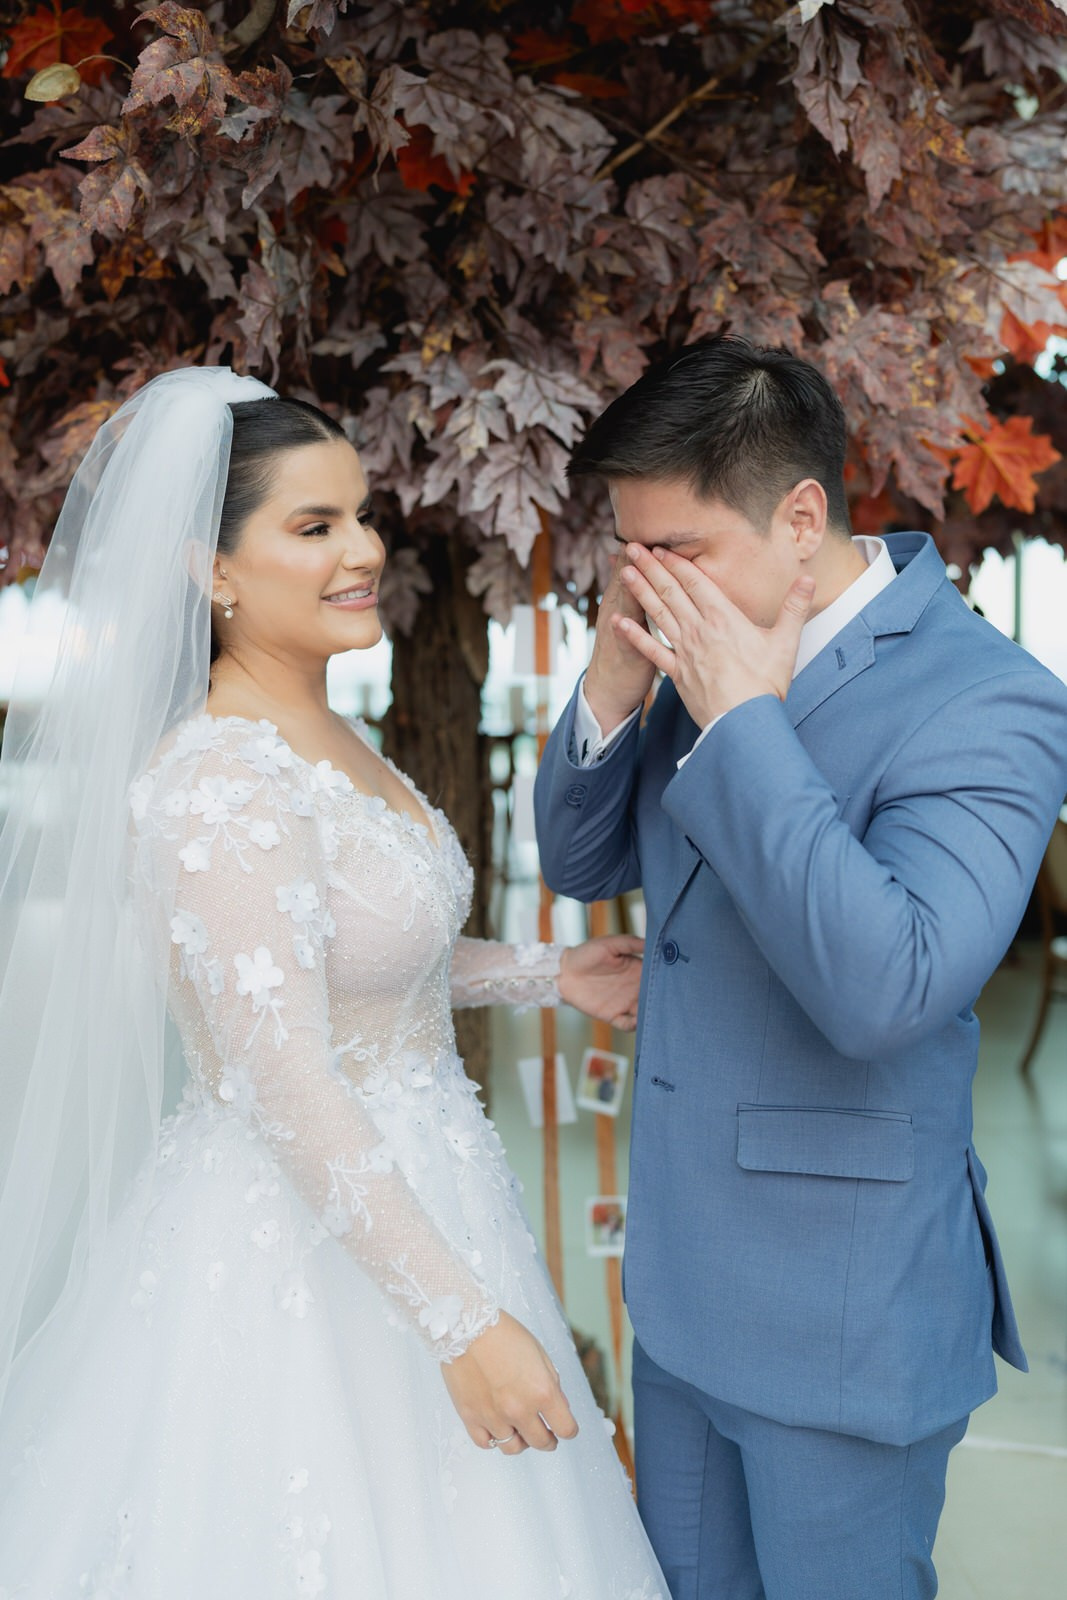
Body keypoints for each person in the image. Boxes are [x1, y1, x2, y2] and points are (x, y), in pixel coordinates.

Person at [0, 367, 666, 1598]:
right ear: (210, 571)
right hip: (292, 1240)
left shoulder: (326, 731)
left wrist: (545, 970)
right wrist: (460, 1323)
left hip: (425, 1189)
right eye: (311, 527)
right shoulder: (219, 778)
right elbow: (281, 1071)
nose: (361, 549)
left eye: (359, 515)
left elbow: (362, 963)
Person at [533, 335, 1067, 1600]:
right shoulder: (688, 636)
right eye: (631, 550)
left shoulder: (988, 699)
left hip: (841, 1310)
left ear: (801, 515)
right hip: (679, 1287)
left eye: (680, 549)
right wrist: (614, 675)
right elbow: (573, 854)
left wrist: (745, 722)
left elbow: (887, 985)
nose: (652, 581)